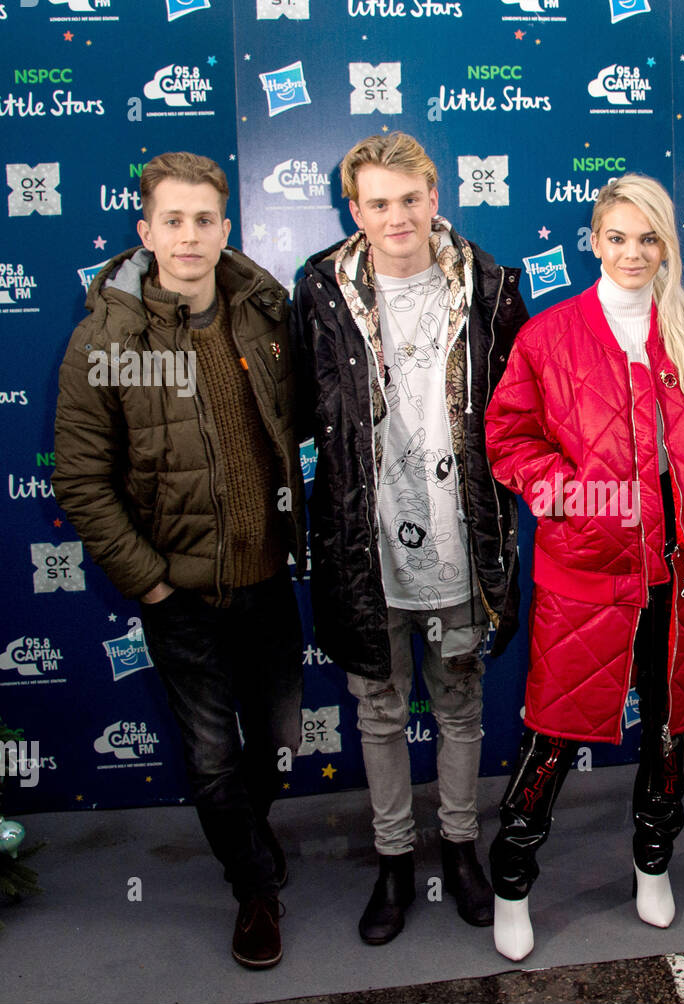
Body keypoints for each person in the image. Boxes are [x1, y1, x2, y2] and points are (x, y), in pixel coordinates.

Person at [53, 152, 305, 969]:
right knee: (210, 754)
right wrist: (150, 580)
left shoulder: (266, 316)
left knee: (274, 739)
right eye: (173, 219)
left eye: (204, 219)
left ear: (225, 226)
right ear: (145, 231)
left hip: (268, 580)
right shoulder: (108, 339)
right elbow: (83, 480)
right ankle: (253, 891)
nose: (190, 235)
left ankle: (252, 835)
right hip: (181, 596)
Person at [484, 174, 684, 961]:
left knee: (668, 732)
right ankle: (513, 879)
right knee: (552, 735)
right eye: (618, 237)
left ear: (667, 245)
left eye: (649, 238)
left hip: (683, 573)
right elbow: (508, 439)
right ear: (594, 240)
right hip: (589, 571)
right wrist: (570, 497)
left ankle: (652, 862)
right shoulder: (549, 336)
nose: (633, 253)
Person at [291, 132, 528, 946]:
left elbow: (518, 411)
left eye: (410, 198)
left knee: (461, 700)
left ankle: (460, 845)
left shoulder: (493, 284)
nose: (397, 216)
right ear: (353, 209)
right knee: (379, 705)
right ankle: (395, 856)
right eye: (377, 203)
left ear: (436, 197)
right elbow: (301, 406)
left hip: (464, 538)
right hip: (366, 539)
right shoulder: (320, 289)